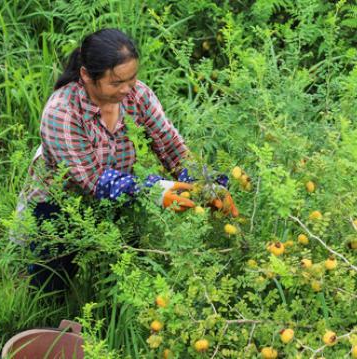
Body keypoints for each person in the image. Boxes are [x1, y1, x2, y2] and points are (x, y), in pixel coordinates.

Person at [12, 28, 238, 292]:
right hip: (60, 204)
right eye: (116, 82)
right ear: (86, 75)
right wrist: (157, 190)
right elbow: (93, 180)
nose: (127, 89)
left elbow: (171, 146)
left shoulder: (137, 96)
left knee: (128, 274)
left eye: (131, 79)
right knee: (50, 285)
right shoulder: (62, 112)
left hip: (121, 195)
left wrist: (208, 184)